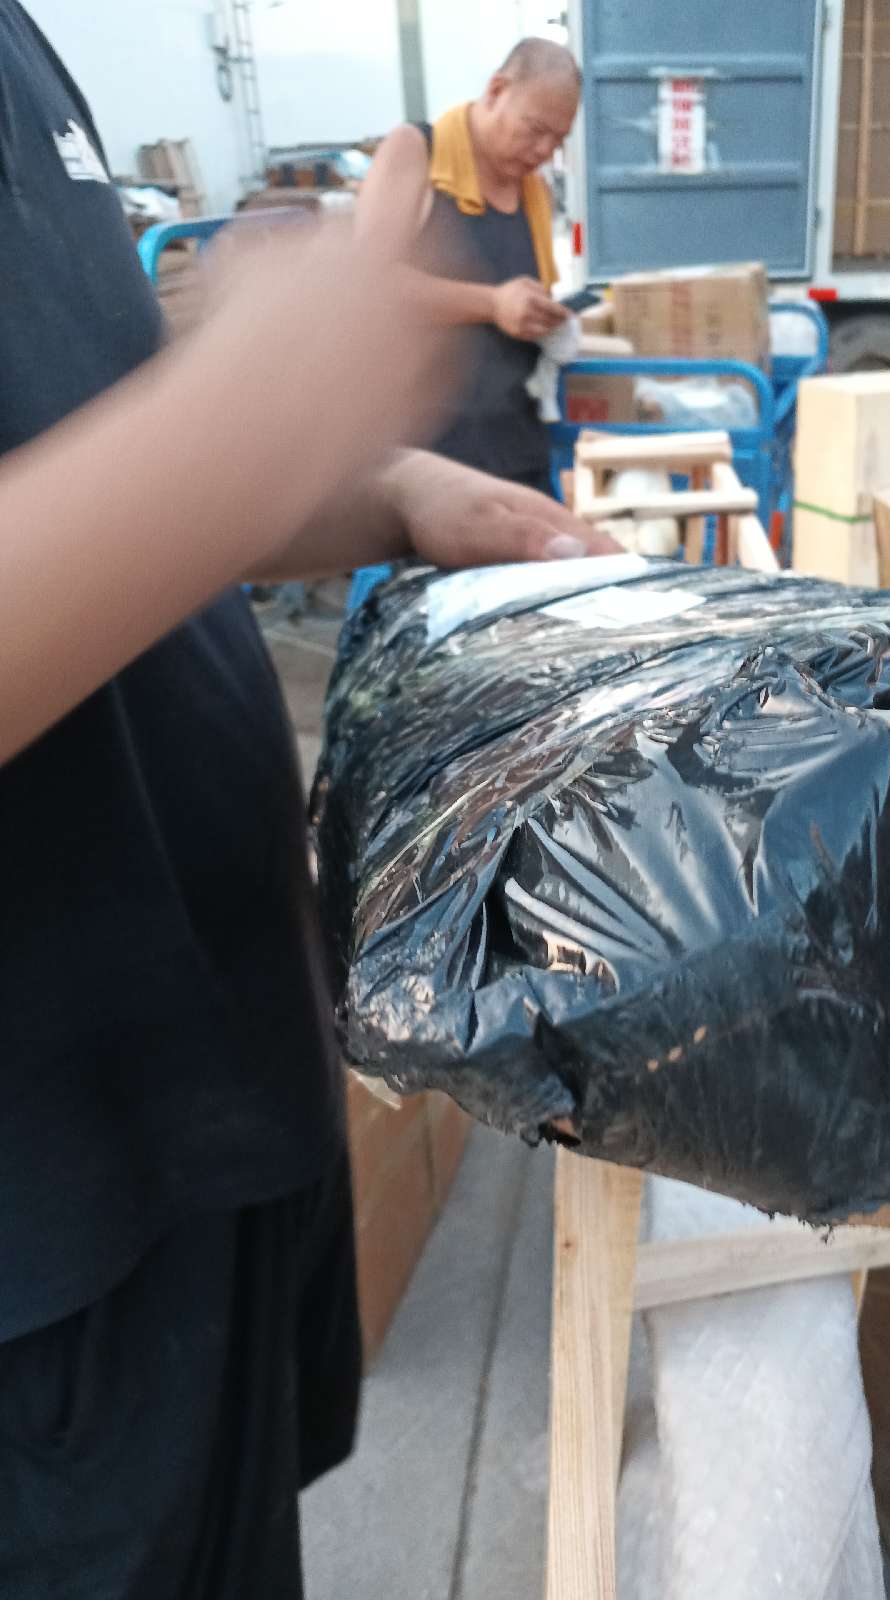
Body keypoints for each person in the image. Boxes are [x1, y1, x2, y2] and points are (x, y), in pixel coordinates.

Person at [0, 5, 614, 1596]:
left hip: (210, 1109)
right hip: (44, 1241)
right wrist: (246, 413)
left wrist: (389, 488)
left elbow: (83, 443)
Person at [359, 37, 583, 497]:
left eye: (558, 140)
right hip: (426, 461)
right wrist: (493, 303)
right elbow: (367, 287)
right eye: (535, 129)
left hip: (518, 450)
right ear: (496, 90)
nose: (544, 150)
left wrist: (546, 319)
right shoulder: (415, 151)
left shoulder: (534, 192)